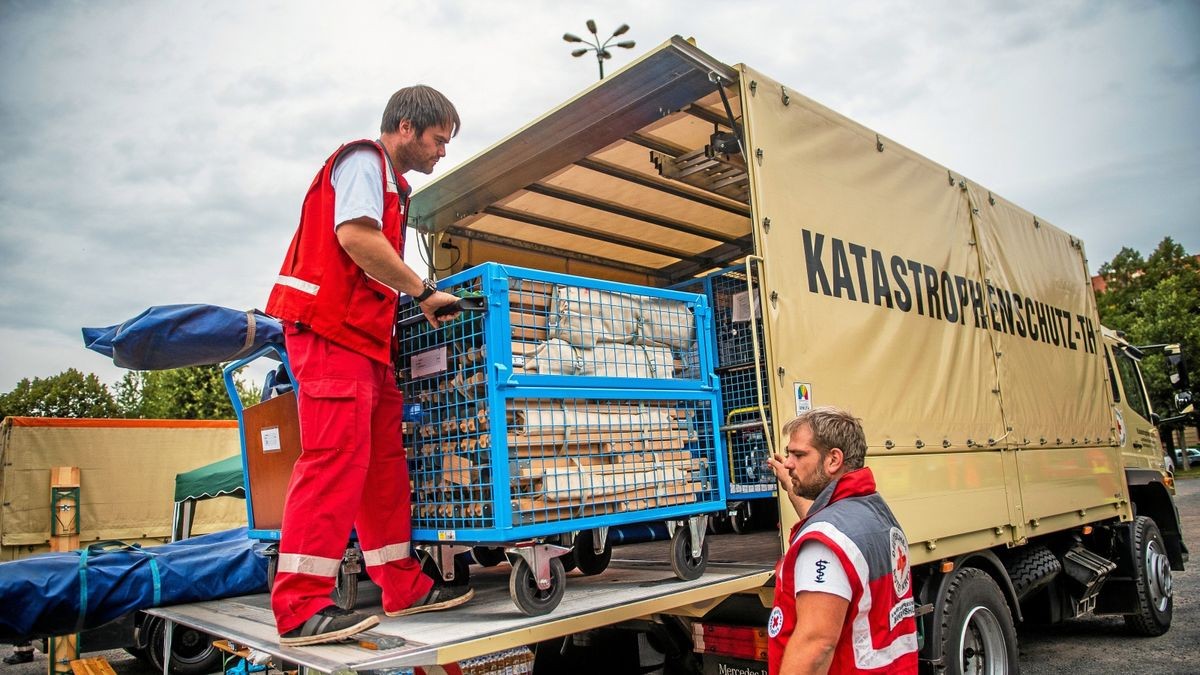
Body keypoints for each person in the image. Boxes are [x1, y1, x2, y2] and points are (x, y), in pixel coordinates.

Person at [265, 85, 472, 646]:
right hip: (330, 330)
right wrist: (423, 291)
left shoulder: (393, 187)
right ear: (405, 127)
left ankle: (401, 584)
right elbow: (355, 237)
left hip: (364, 341)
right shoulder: (364, 161)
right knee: (333, 459)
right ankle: (301, 605)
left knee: (382, 462)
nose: (442, 152)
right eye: (438, 139)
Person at [764, 407, 918, 674]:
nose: (789, 463)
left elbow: (817, 645)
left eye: (799, 455)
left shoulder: (825, 543)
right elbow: (822, 518)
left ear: (833, 459)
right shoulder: (873, 511)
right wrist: (790, 484)